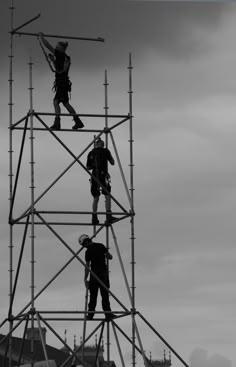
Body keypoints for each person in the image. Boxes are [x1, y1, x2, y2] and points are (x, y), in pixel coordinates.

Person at [38, 33, 84, 130]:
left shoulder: (60, 54)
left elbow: (47, 46)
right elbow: (60, 70)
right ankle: (77, 121)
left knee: (56, 101)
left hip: (62, 83)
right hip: (63, 82)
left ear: (61, 49)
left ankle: (58, 123)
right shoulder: (64, 57)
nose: (55, 48)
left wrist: (41, 37)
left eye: (57, 47)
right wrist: (53, 61)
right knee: (65, 103)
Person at [79, 234, 114, 320]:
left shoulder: (88, 252)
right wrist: (105, 254)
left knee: (93, 296)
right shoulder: (101, 245)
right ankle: (108, 314)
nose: (84, 247)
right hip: (103, 274)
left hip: (94, 275)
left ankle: (90, 314)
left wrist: (85, 279)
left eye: (84, 245)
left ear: (85, 242)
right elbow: (110, 257)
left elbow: (87, 267)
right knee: (105, 295)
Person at [86, 138, 116, 225]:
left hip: (94, 176)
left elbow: (88, 167)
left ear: (96, 144)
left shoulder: (91, 153)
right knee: (107, 195)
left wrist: (94, 164)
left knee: (96, 197)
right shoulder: (105, 151)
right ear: (103, 145)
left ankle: (94, 218)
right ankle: (108, 216)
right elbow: (113, 162)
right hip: (103, 175)